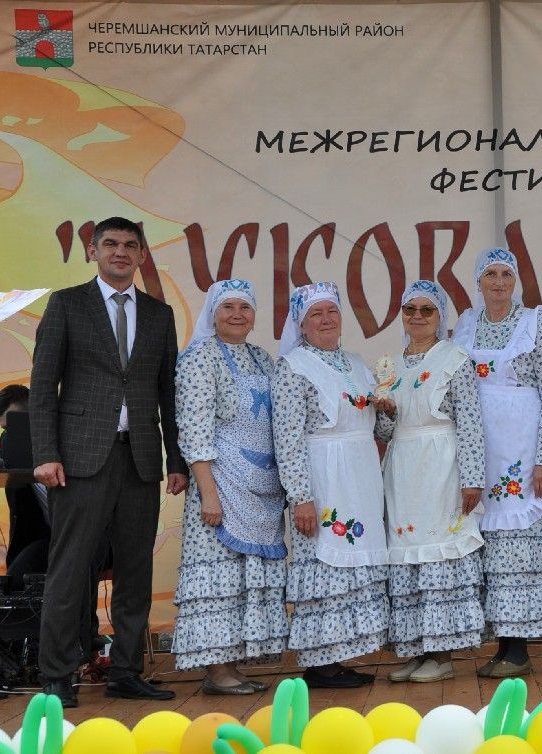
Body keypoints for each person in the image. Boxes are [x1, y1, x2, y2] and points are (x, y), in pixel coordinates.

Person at [29, 216, 188, 707]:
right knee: (71, 568)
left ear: (142, 255)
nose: (121, 252)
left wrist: (176, 459)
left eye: (131, 246)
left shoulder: (158, 315)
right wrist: (45, 455)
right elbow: (43, 385)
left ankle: (126, 671)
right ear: (94, 251)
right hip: (79, 459)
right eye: (112, 244)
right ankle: (57, 675)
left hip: (140, 457)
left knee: (136, 570)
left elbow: (169, 394)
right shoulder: (67, 304)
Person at [172, 280, 290, 694]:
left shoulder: (262, 358)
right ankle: (217, 671)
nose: (237, 314)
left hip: (261, 487)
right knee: (219, 582)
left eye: (245, 306)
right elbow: (194, 428)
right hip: (220, 483)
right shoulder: (199, 358)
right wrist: (208, 492)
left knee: (246, 581)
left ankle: (233, 666)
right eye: (228, 307)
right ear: (212, 313)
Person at [271, 282, 391, 688]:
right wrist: (300, 497)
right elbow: (286, 439)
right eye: (315, 315)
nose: (325, 320)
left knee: (354, 561)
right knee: (324, 562)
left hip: (360, 473)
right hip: (322, 476)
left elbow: (380, 428)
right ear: (301, 324)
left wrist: (387, 410)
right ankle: (320, 664)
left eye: (331, 312)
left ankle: (340, 656)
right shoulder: (292, 368)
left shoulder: (358, 363)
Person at [452, 248, 542, 678]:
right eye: (490, 275)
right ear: (478, 282)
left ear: (515, 281)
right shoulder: (465, 326)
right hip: (479, 445)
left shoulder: (535, 323)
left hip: (522, 444)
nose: (499, 283)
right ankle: (502, 643)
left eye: (506, 274)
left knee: (517, 543)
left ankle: (517, 649)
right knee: (489, 541)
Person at [380, 280, 486, 683]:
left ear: (440, 316)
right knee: (408, 553)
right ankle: (416, 649)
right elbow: (386, 432)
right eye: (410, 309)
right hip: (403, 468)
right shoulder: (390, 365)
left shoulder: (455, 359)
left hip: (442, 466)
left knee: (439, 552)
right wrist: (386, 412)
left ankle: (442, 655)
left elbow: (472, 425)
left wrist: (472, 479)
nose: (418, 317)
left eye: (427, 310)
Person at [0, 385, 50, 572]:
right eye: (6, 429)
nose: (10, 434)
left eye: (15, 425)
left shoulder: (68, 439)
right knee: (16, 579)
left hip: (84, 534)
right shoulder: (9, 443)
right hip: (45, 537)